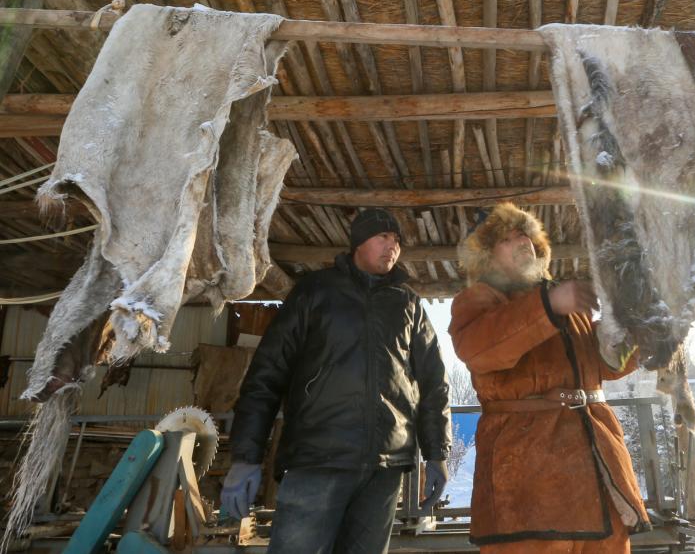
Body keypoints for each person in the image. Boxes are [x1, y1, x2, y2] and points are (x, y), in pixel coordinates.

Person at [222, 207, 452, 554]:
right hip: (317, 458)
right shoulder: (314, 292)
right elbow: (266, 374)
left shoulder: (409, 305)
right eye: (383, 236)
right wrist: (245, 457)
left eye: (397, 240)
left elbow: (434, 382)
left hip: (384, 467)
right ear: (359, 242)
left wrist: (437, 454)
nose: (393, 246)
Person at [450, 203, 650, 553]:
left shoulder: (566, 303)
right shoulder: (478, 300)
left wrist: (641, 334)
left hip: (598, 463)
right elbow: (479, 349)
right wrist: (547, 305)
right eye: (507, 238)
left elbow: (605, 365)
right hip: (528, 476)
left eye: (524, 235)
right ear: (488, 256)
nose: (521, 241)